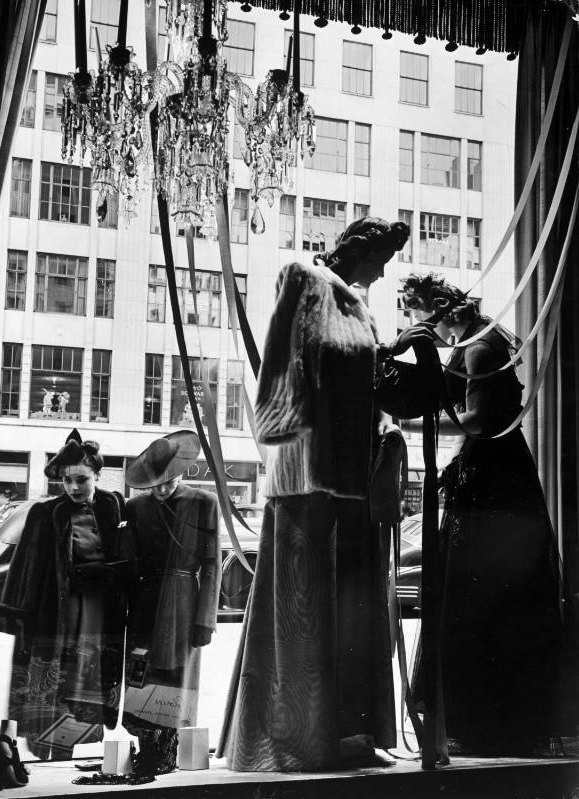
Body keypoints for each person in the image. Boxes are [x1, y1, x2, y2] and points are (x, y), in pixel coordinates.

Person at [217, 216, 410, 772]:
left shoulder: (363, 308)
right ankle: (298, 738)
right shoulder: (304, 278)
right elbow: (288, 358)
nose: (384, 270)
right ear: (359, 248)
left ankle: (351, 729)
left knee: (350, 609)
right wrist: (280, 423)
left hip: (353, 476)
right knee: (304, 606)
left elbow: (363, 382)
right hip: (307, 474)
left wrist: (386, 422)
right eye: (382, 257)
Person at [399, 272, 565, 756]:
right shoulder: (483, 338)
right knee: (491, 592)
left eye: (423, 317)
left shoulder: (476, 349)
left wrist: (408, 422)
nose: (426, 328)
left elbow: (477, 420)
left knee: (479, 591)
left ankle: (486, 717)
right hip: (502, 470)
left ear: (443, 312)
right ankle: (498, 716)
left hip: (492, 474)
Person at [0, 429, 133, 759]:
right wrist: (17, 611)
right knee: (52, 677)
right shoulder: (45, 512)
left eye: (81, 479)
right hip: (56, 610)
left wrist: (115, 577)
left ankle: (71, 745)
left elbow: (128, 556)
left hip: (99, 610)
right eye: (67, 481)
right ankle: (47, 751)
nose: (73, 488)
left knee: (88, 674)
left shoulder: (114, 505)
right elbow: (23, 565)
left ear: (98, 474)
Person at [122, 430, 221, 775]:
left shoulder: (204, 503)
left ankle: (166, 752)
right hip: (144, 605)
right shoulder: (135, 507)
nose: (162, 489)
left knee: (177, 678)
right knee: (139, 675)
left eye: (168, 481)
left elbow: (212, 566)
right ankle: (144, 749)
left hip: (183, 605)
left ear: (182, 471)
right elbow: (128, 563)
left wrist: (205, 619)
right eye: (155, 483)